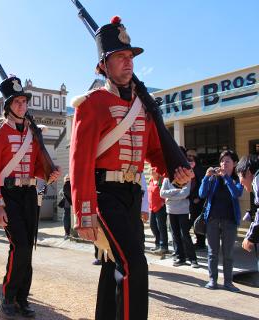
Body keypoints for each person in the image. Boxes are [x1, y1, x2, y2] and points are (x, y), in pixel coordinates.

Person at [69, 17, 193, 320]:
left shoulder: (142, 105)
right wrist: (84, 212)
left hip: (131, 194)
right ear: (103, 65)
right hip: (104, 195)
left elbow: (153, 151)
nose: (128, 63)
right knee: (135, 266)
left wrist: (174, 171)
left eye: (130, 57)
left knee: (115, 263)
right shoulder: (92, 103)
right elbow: (80, 160)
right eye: (120, 57)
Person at [0, 76, 60, 317]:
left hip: (28, 194)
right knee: (21, 246)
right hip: (7, 194)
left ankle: (22, 298)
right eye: (16, 102)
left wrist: (49, 173)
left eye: (23, 101)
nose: (21, 105)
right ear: (8, 106)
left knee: (28, 248)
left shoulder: (32, 133)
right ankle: (8, 295)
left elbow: (36, 166)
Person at [199, 150, 243, 292]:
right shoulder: (213, 179)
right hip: (212, 220)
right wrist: (206, 177)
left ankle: (228, 282)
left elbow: (236, 194)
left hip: (229, 221)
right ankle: (212, 280)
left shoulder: (237, 180)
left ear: (234, 164)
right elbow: (201, 194)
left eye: (228, 161)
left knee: (228, 253)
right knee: (212, 252)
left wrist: (227, 178)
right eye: (222, 161)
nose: (224, 164)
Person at [160, 176, 199, 268]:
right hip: (170, 210)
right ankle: (180, 257)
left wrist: (170, 197)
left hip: (183, 210)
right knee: (175, 235)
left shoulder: (186, 177)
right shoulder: (167, 178)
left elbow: (185, 194)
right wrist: (176, 191)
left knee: (184, 234)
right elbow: (162, 193)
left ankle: (193, 259)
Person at [236, 154, 259, 251]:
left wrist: (250, 237)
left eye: (240, 176)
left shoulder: (257, 180)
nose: (240, 183)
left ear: (248, 172)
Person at [187, 151, 207, 250]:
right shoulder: (189, 169)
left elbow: (202, 185)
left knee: (198, 222)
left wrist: (198, 198)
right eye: (188, 156)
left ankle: (201, 243)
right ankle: (199, 242)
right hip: (190, 201)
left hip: (198, 201)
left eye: (191, 156)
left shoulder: (199, 170)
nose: (189, 158)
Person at [147, 167, 168, 254]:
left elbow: (164, 192)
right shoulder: (150, 181)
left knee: (161, 227)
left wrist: (163, 202)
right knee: (152, 226)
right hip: (152, 207)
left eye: (154, 170)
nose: (152, 171)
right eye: (151, 170)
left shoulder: (162, 181)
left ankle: (164, 246)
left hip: (160, 207)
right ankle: (158, 244)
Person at [61, 174, 72, 239]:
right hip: (70, 205)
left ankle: (67, 233)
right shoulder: (70, 185)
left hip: (67, 205)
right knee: (67, 218)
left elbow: (61, 193)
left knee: (66, 218)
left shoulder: (65, 186)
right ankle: (67, 233)